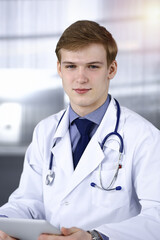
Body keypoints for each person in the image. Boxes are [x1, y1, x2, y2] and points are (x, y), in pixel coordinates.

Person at [0, 20, 160, 240]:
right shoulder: (45, 131)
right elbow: (29, 202)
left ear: (111, 69)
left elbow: (157, 216)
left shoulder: (144, 137)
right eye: (71, 66)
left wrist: (96, 237)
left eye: (93, 66)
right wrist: (4, 222)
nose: (80, 78)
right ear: (59, 69)